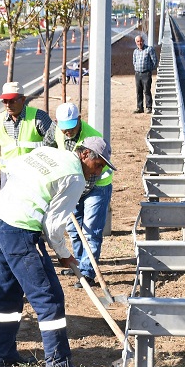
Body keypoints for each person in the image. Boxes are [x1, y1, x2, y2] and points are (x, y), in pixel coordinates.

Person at [0, 137, 116, 367]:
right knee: (50, 300)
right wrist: (65, 255)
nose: (98, 173)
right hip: (20, 231)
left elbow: (10, 167)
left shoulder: (48, 153)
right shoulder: (75, 178)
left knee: (8, 293)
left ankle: (4, 355)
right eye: (98, 165)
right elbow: (54, 226)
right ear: (85, 156)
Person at [44, 103, 114, 288]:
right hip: (72, 182)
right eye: (64, 128)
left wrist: (70, 194)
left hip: (96, 184)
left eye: (72, 127)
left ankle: (88, 273)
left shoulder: (91, 139)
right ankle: (79, 265)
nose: (68, 132)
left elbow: (91, 175)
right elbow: (46, 148)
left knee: (90, 230)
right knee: (74, 230)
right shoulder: (55, 130)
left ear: (79, 120)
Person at [0, 81, 53, 190]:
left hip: (33, 174)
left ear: (23, 99)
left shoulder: (38, 117)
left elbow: (55, 143)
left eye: (12, 101)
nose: (8, 105)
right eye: (5, 101)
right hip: (7, 174)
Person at [133, 34, 157, 114]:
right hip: (137, 74)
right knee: (138, 91)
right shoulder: (135, 51)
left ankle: (149, 107)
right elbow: (134, 62)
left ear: (143, 41)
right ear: (136, 42)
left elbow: (154, 61)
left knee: (147, 91)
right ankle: (139, 107)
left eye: (141, 41)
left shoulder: (149, 49)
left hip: (146, 73)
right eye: (138, 41)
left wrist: (149, 70)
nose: (139, 43)